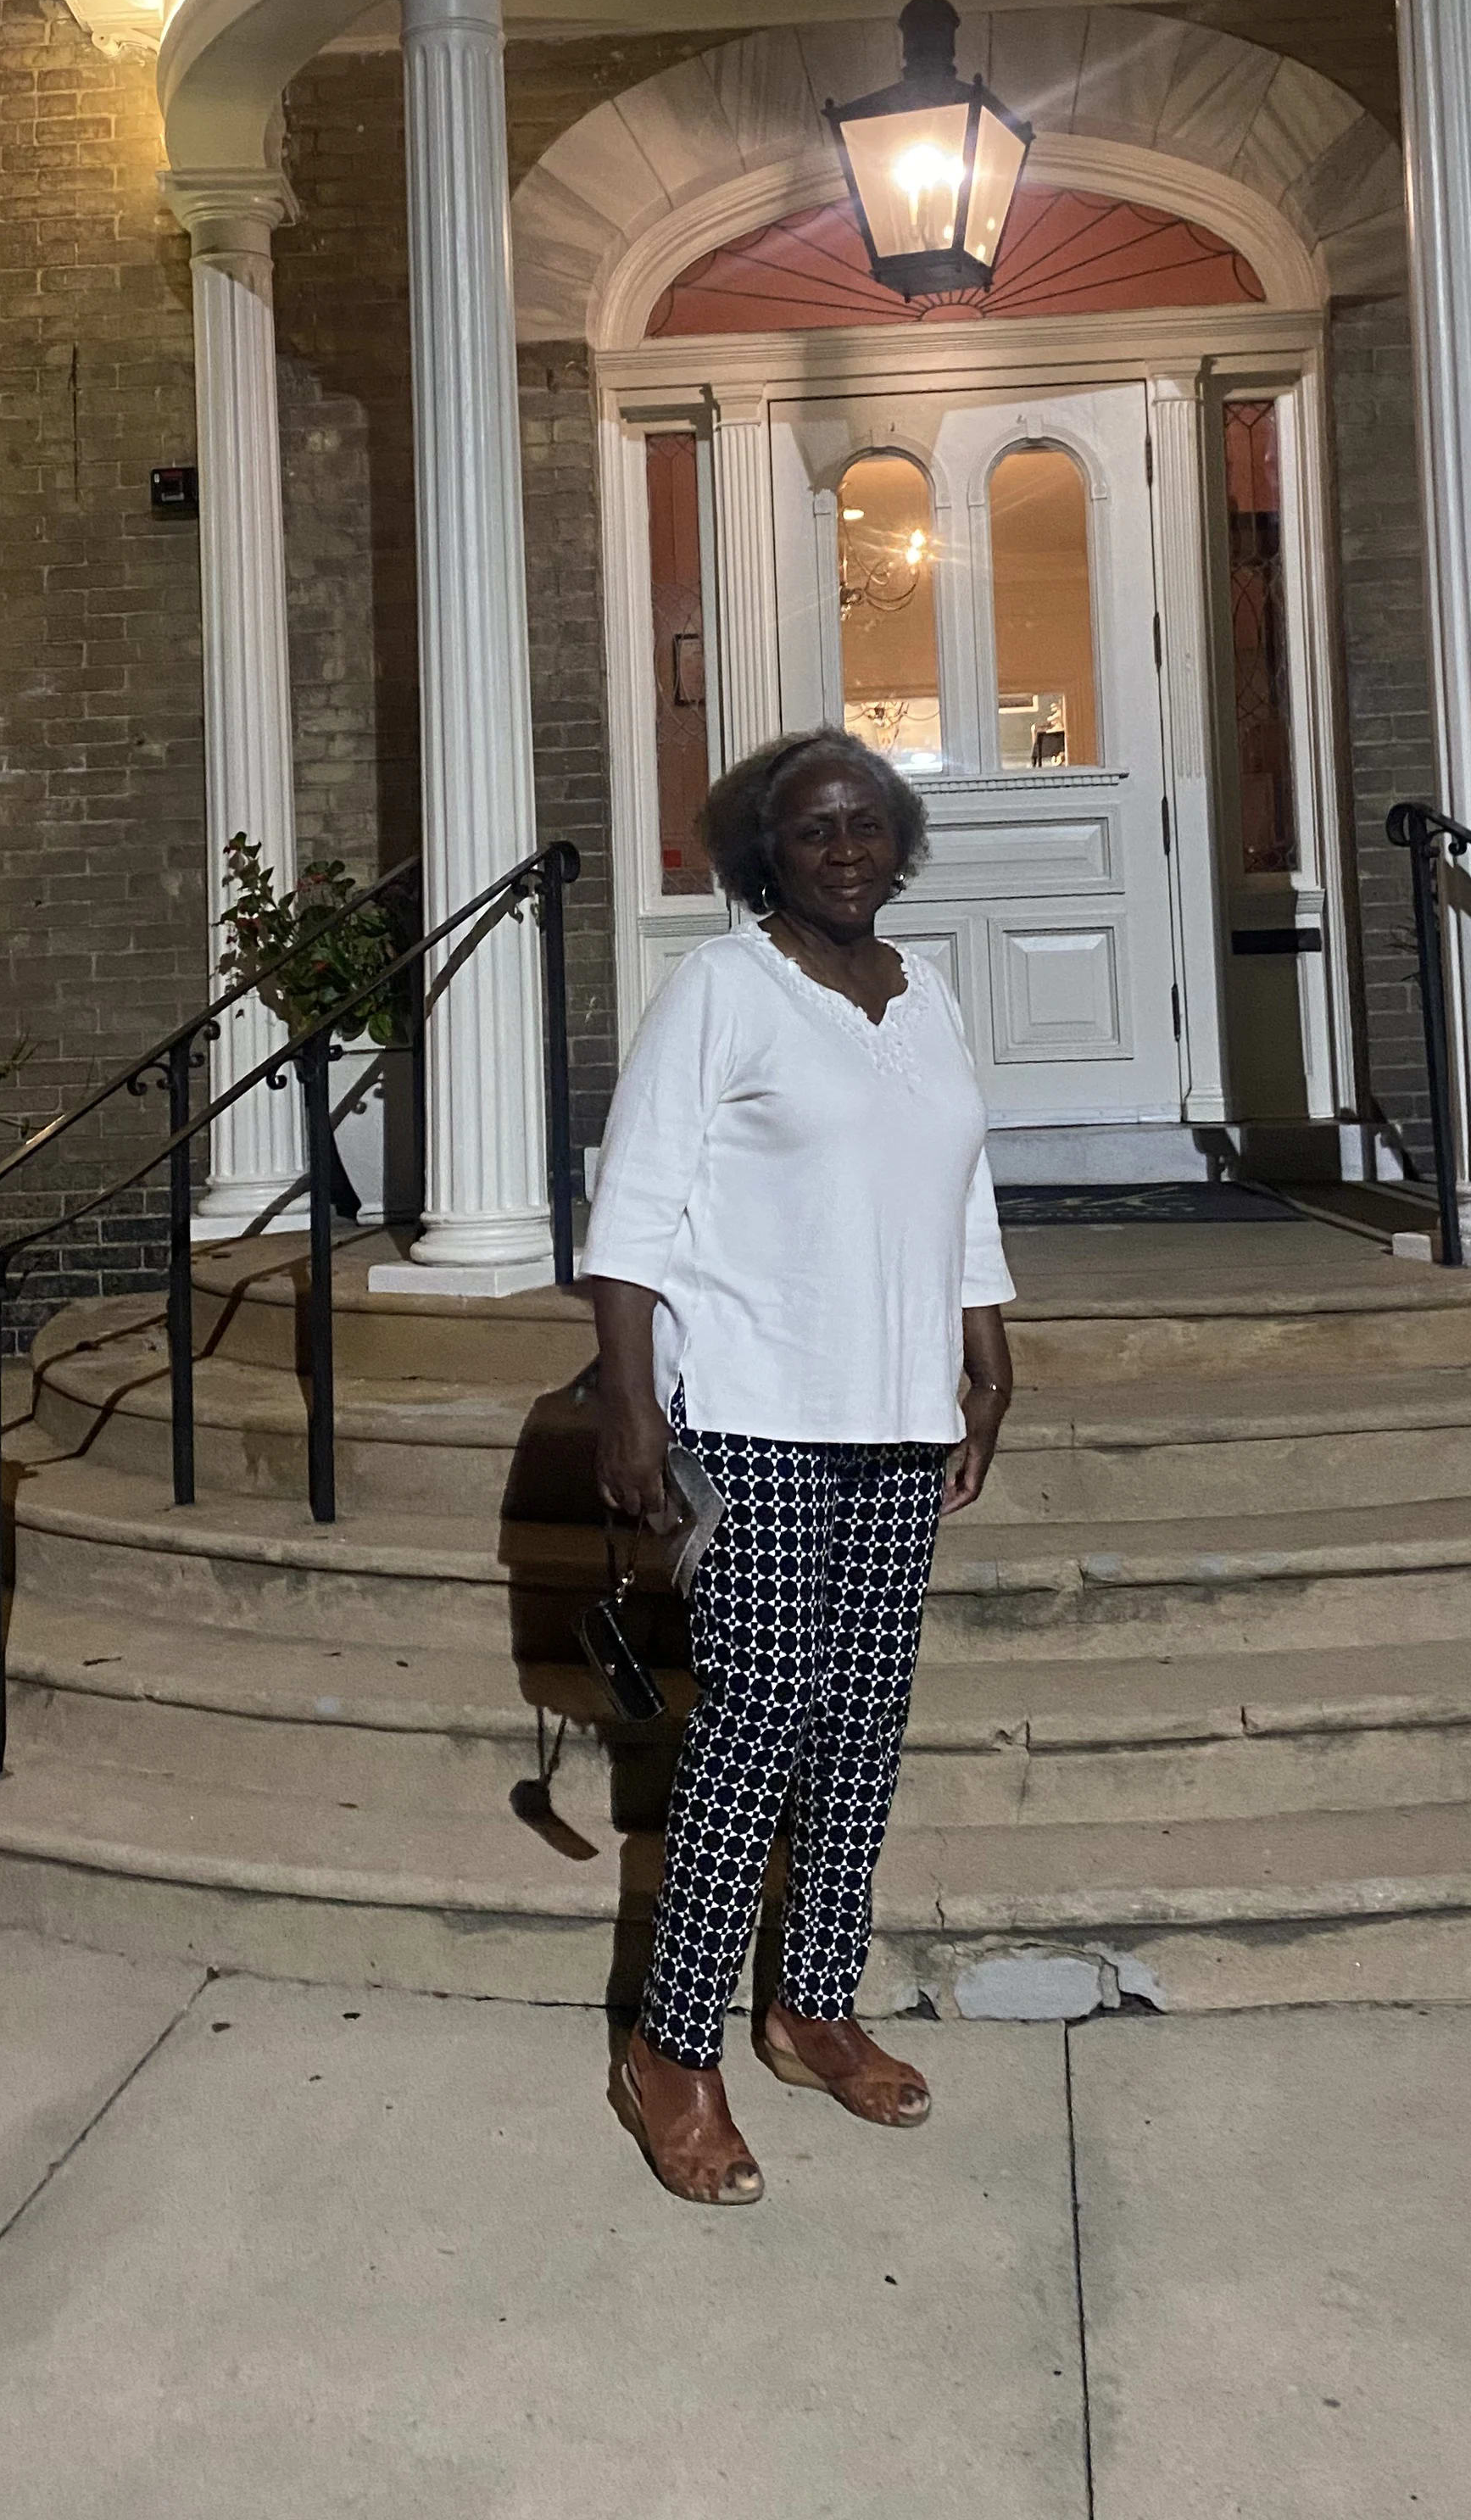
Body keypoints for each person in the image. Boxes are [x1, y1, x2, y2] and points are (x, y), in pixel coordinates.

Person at [581, 726, 1018, 2207]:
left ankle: (813, 2003)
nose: (844, 849)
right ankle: (672, 2049)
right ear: (765, 853)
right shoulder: (723, 990)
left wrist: (988, 1356)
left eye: (867, 824)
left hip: (898, 1411)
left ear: (901, 844)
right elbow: (635, 1210)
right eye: (814, 829)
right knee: (758, 1716)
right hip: (754, 1409)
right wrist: (630, 1408)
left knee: (863, 1719)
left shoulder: (925, 994)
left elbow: (958, 1190)